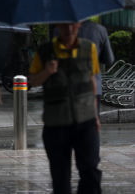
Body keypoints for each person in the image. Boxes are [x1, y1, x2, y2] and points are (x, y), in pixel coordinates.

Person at [29, 23, 102, 194]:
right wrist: (47, 72)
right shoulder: (45, 51)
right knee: (60, 177)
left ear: (78, 25)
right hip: (56, 123)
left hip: (86, 120)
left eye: (72, 25)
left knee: (91, 169)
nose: (69, 30)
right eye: (64, 25)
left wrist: (96, 116)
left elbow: (91, 81)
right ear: (58, 26)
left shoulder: (88, 48)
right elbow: (32, 80)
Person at [78, 20, 114, 115]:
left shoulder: (61, 29)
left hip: (69, 87)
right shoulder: (99, 30)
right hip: (94, 86)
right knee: (91, 124)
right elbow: (109, 59)